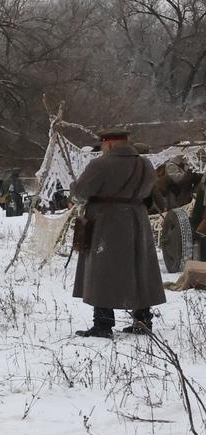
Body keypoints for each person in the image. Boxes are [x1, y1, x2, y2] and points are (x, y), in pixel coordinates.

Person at [71, 126, 165, 337]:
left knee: (103, 269)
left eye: (103, 145)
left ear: (109, 143)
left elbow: (80, 192)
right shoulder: (146, 164)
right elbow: (150, 189)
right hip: (138, 219)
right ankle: (142, 320)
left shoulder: (100, 164)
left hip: (107, 219)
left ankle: (103, 324)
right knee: (139, 267)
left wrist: (73, 186)